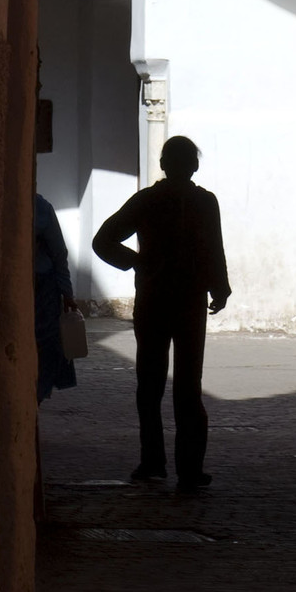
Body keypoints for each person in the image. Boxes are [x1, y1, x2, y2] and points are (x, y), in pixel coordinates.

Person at [93, 136, 231, 494]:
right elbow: (214, 247)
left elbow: (102, 240)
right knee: (189, 386)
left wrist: (137, 263)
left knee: (150, 385)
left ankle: (153, 461)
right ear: (194, 166)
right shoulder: (204, 202)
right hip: (189, 303)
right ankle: (190, 469)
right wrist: (220, 288)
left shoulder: (147, 201)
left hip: (153, 300)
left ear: (164, 164)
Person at [33, 192, 79, 404]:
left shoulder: (39, 206)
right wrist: (66, 293)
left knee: (46, 346)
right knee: (47, 346)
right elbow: (59, 252)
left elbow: (58, 253)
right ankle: (38, 396)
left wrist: (66, 292)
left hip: (43, 289)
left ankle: (37, 397)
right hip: (43, 288)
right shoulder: (40, 206)